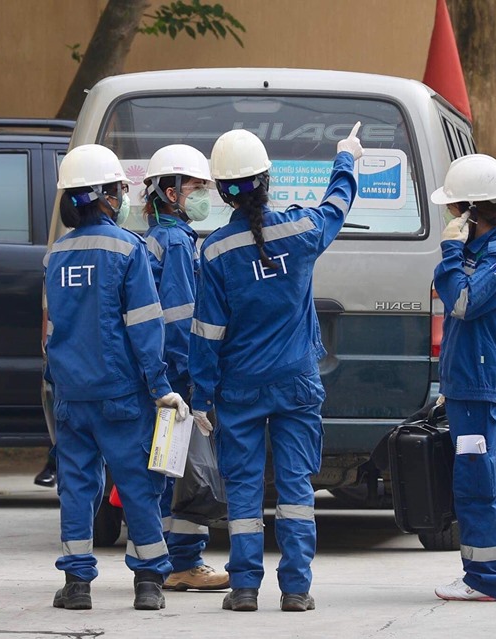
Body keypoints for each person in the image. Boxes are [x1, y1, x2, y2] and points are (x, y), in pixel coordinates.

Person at [189, 124, 363, 613]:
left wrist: (201, 397)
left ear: (222, 191)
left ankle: (244, 588)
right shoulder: (302, 230)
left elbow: (206, 334)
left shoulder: (216, 252)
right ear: (268, 179)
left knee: (243, 491)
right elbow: (337, 206)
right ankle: (296, 589)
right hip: (296, 383)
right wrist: (346, 157)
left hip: (239, 389)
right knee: (295, 489)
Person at [43, 143, 189, 611]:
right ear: (106, 196)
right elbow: (146, 326)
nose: (123, 197)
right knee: (138, 484)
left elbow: (52, 331)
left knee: (77, 488)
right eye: (118, 190)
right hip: (122, 395)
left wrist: (57, 382)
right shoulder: (129, 249)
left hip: (71, 394)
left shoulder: (55, 257)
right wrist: (161, 387)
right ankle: (148, 582)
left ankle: (77, 585)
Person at [429, 153, 496, 602]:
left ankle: (484, 579)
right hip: (471, 385)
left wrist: (450, 251)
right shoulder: (483, 253)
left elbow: (462, 304)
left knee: (477, 482)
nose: (449, 217)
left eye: (453, 208)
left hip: (481, 386)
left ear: (469, 210)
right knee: (494, 479)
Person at [140, 144, 229, 591]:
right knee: (183, 472)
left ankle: (164, 564)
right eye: (196, 187)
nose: (203, 196)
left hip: (157, 376)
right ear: (171, 193)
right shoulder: (176, 242)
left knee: (166, 473)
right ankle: (182, 564)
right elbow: (179, 320)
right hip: (176, 378)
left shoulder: (157, 237)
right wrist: (193, 385)